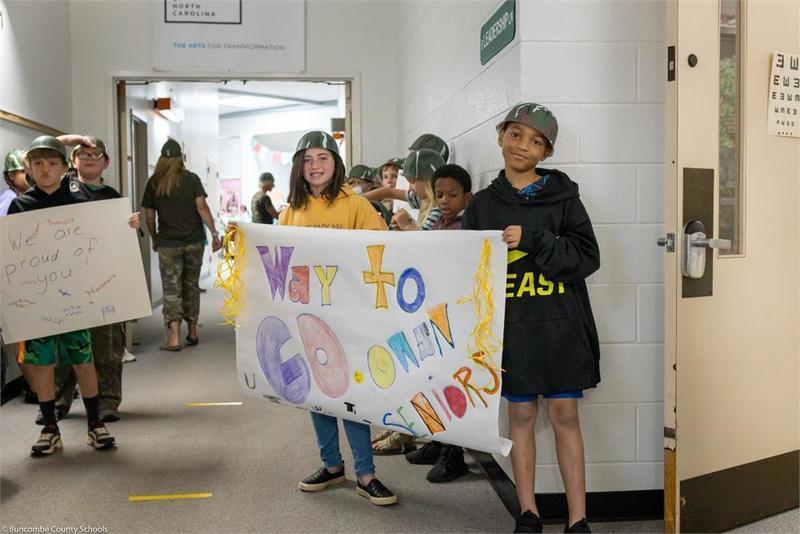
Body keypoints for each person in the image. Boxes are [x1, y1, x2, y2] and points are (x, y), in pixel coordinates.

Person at [463, 103, 600, 533]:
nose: (524, 145)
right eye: (517, 134)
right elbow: (469, 272)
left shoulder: (565, 198)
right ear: (501, 136)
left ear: (546, 152)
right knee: (520, 417)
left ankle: (578, 519)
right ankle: (528, 512)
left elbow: (587, 258)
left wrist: (537, 240)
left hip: (562, 327)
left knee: (564, 415)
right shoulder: (482, 205)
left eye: (536, 141)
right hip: (512, 330)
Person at [278, 130, 397, 506]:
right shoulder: (290, 210)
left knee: (352, 392)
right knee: (318, 394)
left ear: (336, 162)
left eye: (323, 158)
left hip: (349, 316)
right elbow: (281, 262)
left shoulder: (356, 205)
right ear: (299, 166)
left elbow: (380, 251)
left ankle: (366, 474)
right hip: (308, 315)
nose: (315, 166)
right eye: (308, 159)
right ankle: (331, 466)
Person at [7, 136, 116, 456]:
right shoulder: (20, 206)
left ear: (65, 167)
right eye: (38, 163)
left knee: (83, 357)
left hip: (74, 299)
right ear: (29, 167)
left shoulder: (80, 203)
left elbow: (104, 241)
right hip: (36, 300)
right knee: (41, 363)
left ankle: (95, 424)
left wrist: (128, 226)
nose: (45, 169)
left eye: (52, 163)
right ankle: (50, 427)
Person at [35, 137, 137, 424]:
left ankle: (107, 401)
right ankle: (57, 400)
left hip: (102, 276)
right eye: (83, 153)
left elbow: (119, 239)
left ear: (106, 162)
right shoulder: (60, 187)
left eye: (97, 154)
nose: (90, 158)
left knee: (105, 343)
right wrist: (76, 139)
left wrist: (129, 227)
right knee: (62, 342)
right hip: (62, 278)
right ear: (72, 160)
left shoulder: (112, 196)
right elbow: (51, 148)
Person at [404, 163, 473, 483]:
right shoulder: (435, 220)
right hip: (429, 312)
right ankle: (436, 440)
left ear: (467, 197)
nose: (445, 200)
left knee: (450, 382)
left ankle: (453, 453)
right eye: (440, 194)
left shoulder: (470, 225)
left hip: (456, 317)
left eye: (453, 195)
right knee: (427, 377)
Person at [142, 138, 222, 350]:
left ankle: (174, 338)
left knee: (172, 290)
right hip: (194, 241)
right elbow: (202, 207)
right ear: (180, 158)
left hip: (168, 243)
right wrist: (214, 233)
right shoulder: (192, 179)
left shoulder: (153, 183)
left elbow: (149, 216)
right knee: (191, 286)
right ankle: (193, 332)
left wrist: (154, 238)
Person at [363, 148, 445, 232]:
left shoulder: (438, 210)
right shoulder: (423, 199)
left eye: (412, 181)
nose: (410, 188)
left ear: (428, 181)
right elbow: (390, 192)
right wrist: (356, 199)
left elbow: (423, 241)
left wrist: (407, 225)